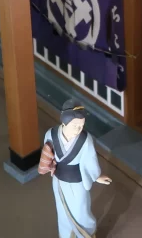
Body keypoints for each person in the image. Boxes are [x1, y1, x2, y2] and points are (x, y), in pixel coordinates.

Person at [39, 101, 112, 238]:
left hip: (78, 182)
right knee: (62, 212)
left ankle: (86, 235)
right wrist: (49, 164)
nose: (78, 129)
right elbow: (48, 153)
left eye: (81, 126)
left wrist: (96, 176)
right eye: (75, 125)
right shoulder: (51, 134)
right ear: (64, 122)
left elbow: (90, 161)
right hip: (59, 181)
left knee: (81, 211)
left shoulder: (85, 140)